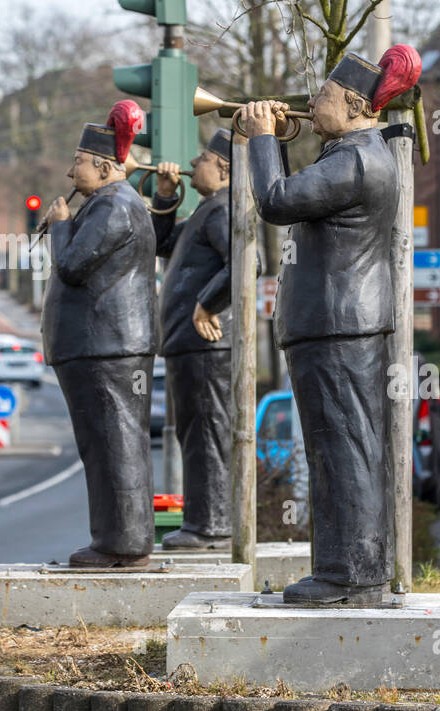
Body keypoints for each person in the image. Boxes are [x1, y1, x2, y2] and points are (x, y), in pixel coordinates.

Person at [238, 43, 421, 606]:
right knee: (337, 447)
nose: (311, 104)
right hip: (338, 322)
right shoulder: (349, 155)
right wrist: (277, 144)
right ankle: (345, 569)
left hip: (339, 322)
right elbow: (296, 202)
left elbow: (274, 200)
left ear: (355, 104)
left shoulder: (355, 159)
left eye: (321, 96)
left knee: (343, 448)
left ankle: (351, 575)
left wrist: (261, 137)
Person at [42, 100, 157, 568]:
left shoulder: (112, 208)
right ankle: (115, 538)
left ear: (105, 166)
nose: (72, 174)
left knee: (115, 443)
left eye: (78, 162)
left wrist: (59, 228)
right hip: (100, 347)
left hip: (107, 347)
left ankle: (123, 543)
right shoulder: (109, 205)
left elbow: (71, 266)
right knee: (105, 443)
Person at [150, 128, 234, 550]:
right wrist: (166, 197)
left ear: (223, 168)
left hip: (207, 342)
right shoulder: (205, 211)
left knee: (206, 430)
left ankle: (211, 524)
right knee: (194, 430)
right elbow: (160, 241)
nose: (193, 163)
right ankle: (204, 520)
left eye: (201, 158)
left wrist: (207, 304)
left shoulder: (221, 211)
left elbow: (242, 265)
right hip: (191, 344)